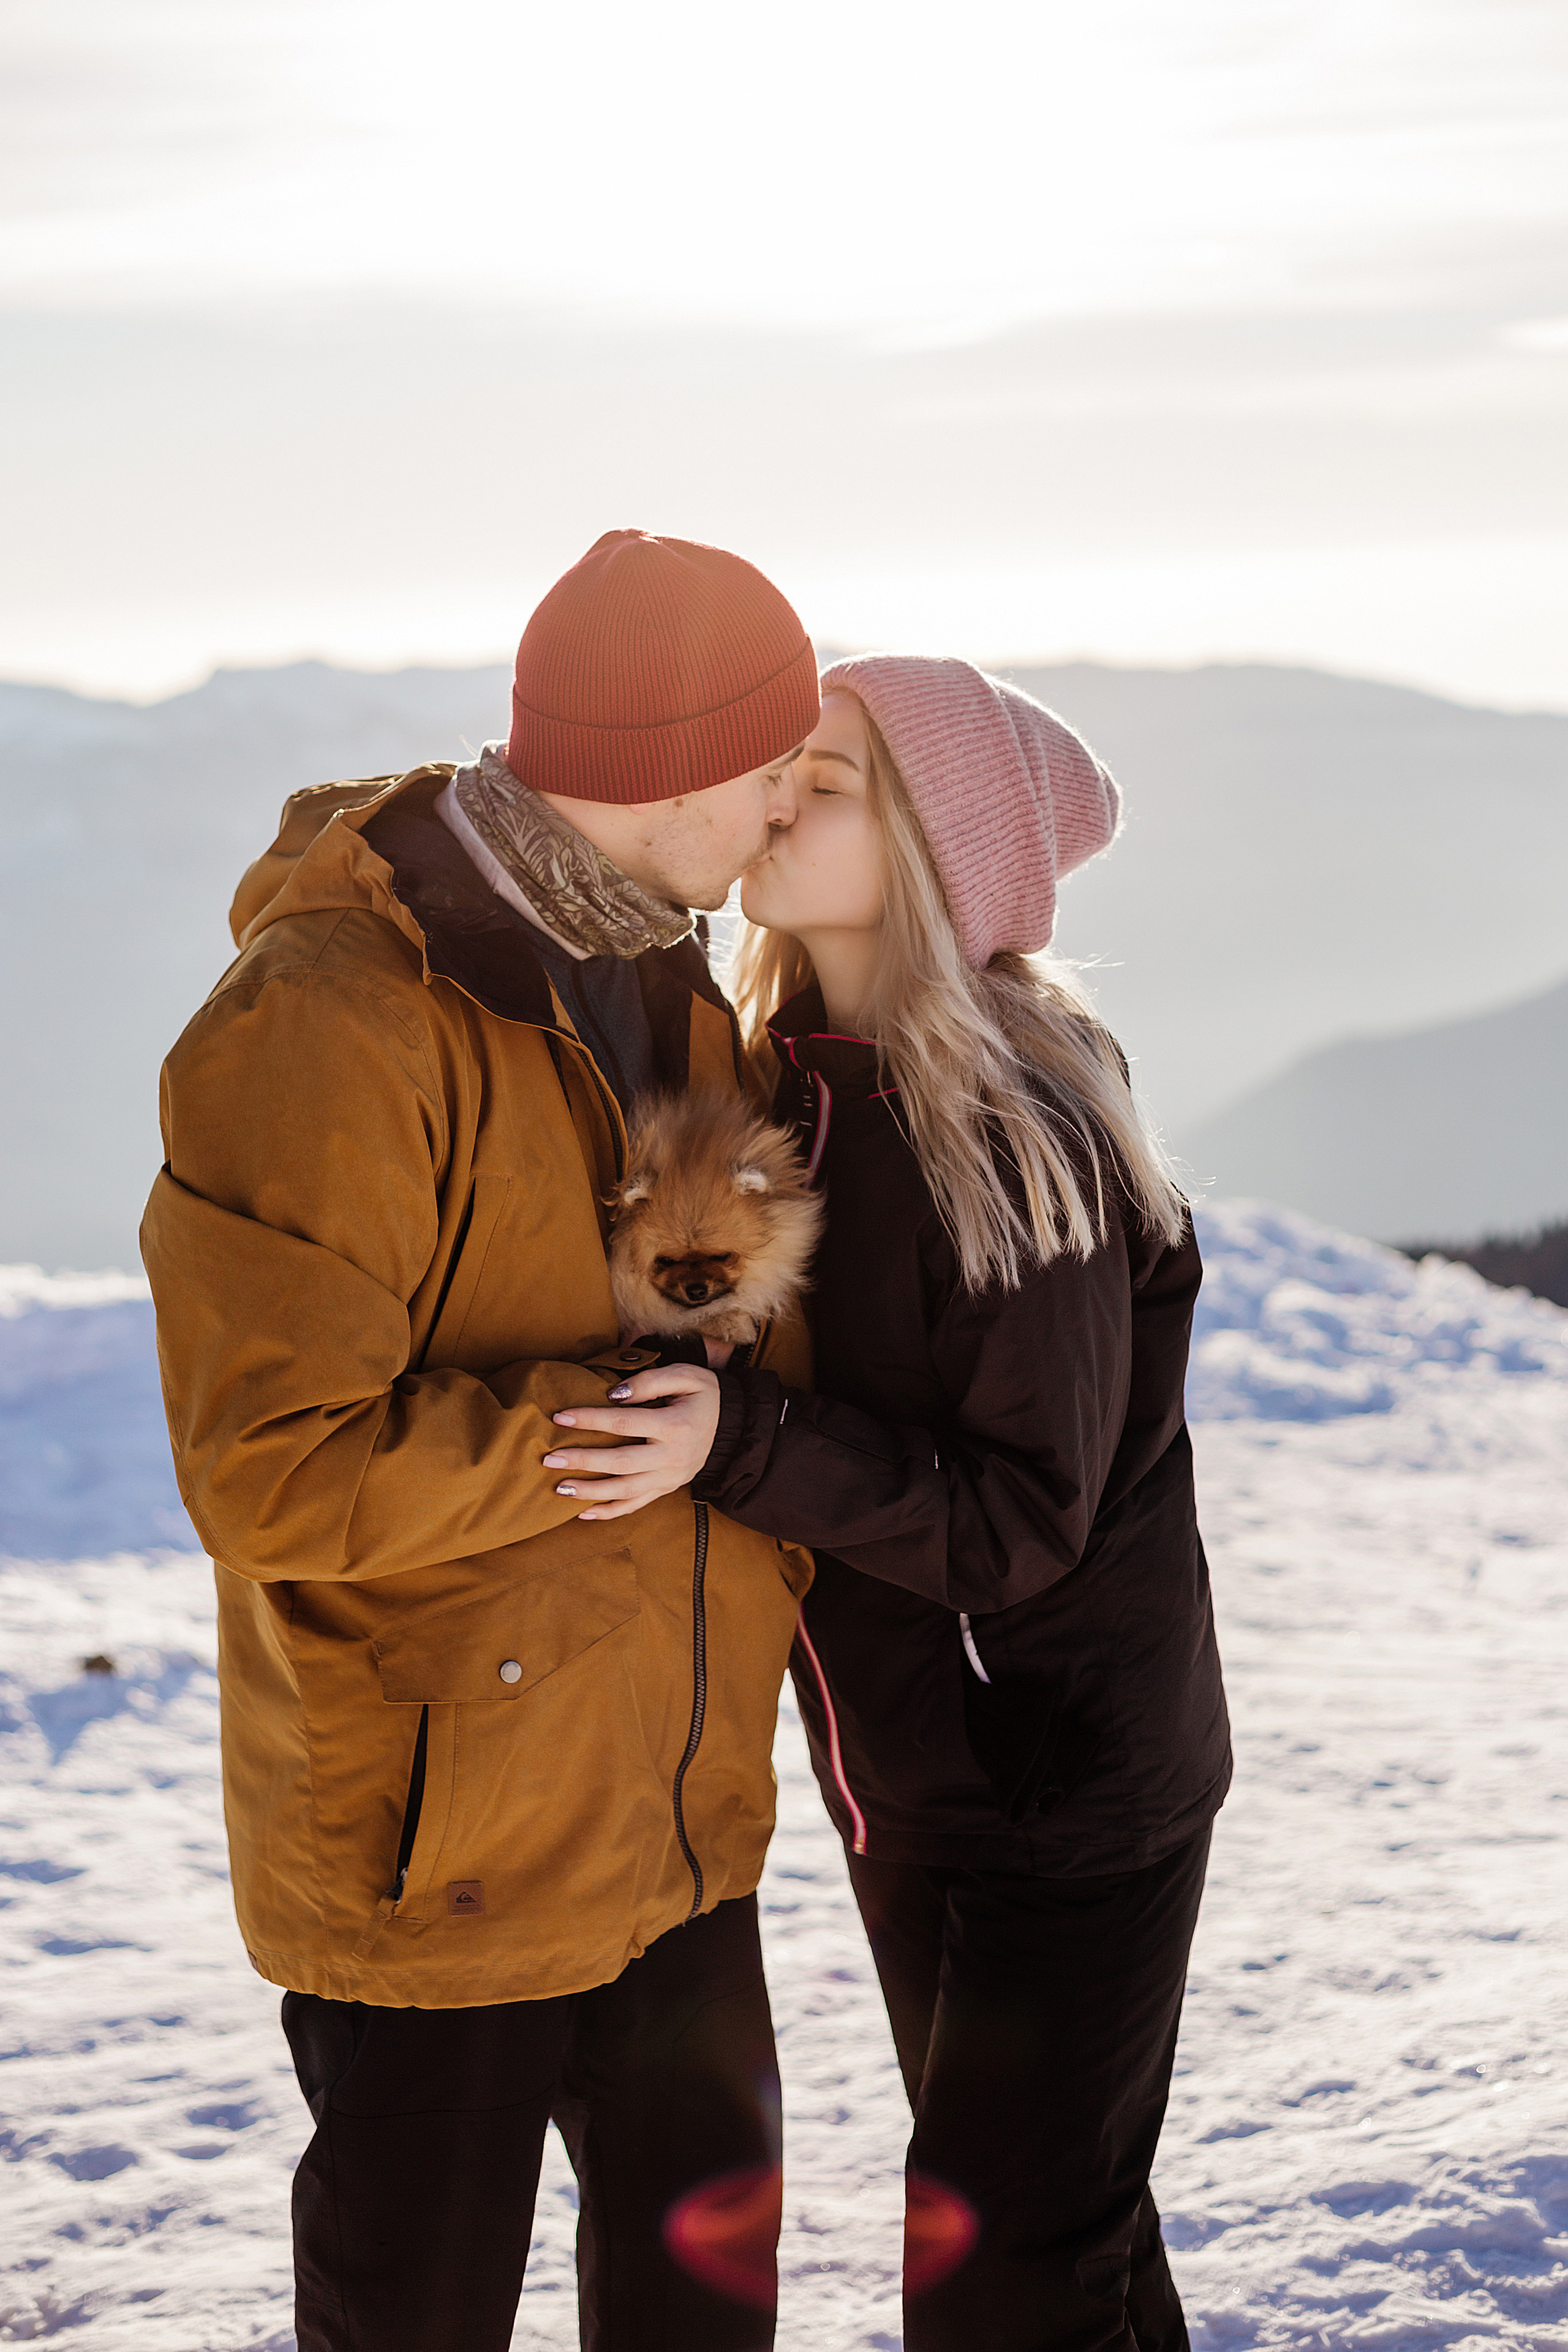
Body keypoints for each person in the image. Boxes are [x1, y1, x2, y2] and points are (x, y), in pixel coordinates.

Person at [140, 530, 821, 2352]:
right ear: (672, 763)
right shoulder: (330, 1020)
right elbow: (272, 1468)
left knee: (706, 2319)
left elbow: (718, 1321)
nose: (790, 797)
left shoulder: (666, 981)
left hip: (675, 1820)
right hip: (441, 1851)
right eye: (772, 758)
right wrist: (607, 1430)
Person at [545, 654, 1232, 2351]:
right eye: (784, 764)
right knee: (1061, 2239)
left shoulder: (1013, 1125)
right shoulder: (790, 1082)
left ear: (938, 848)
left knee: (1003, 2275)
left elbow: (1020, 1525)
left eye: (830, 780)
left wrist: (739, 1440)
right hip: (910, 1778)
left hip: (1069, 1789)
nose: (778, 798)